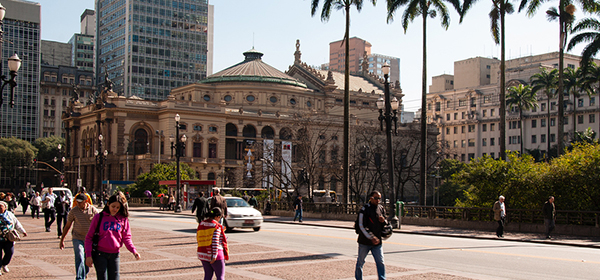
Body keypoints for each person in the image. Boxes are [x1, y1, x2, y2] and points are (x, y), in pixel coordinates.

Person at [85, 192, 141, 280]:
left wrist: (134, 251)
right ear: (108, 204)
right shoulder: (98, 217)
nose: (115, 209)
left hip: (115, 254)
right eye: (113, 206)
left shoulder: (123, 219)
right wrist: (88, 255)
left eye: (118, 207)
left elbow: (126, 238)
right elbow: (89, 237)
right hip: (100, 254)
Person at [60, 193, 100, 280]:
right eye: (77, 202)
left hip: (90, 240)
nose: (78, 204)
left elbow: (99, 224)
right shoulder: (73, 211)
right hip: (77, 237)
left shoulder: (93, 210)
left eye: (80, 202)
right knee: (79, 255)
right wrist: (62, 239)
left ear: (85, 202)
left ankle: (84, 272)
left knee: (87, 258)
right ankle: (80, 277)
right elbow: (67, 226)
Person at [355, 191, 386, 280]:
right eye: (376, 198)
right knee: (360, 262)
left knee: (380, 262)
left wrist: (383, 221)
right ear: (371, 198)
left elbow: (386, 224)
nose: (378, 200)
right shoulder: (364, 209)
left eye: (379, 198)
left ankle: (382, 278)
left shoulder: (381, 208)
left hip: (377, 242)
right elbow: (361, 225)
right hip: (365, 242)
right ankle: (359, 278)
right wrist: (371, 237)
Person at [197, 207, 229, 280]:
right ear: (217, 217)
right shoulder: (216, 226)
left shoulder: (202, 224)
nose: (219, 219)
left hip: (203, 253)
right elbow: (215, 241)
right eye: (220, 217)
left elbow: (199, 237)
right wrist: (214, 255)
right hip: (216, 254)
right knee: (220, 277)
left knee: (208, 276)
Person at [0, 201, 27, 275]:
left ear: (5, 207)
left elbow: (16, 223)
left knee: (10, 252)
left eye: (1, 206)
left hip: (9, 237)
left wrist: (22, 231)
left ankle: (4, 264)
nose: (0, 208)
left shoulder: (9, 214)